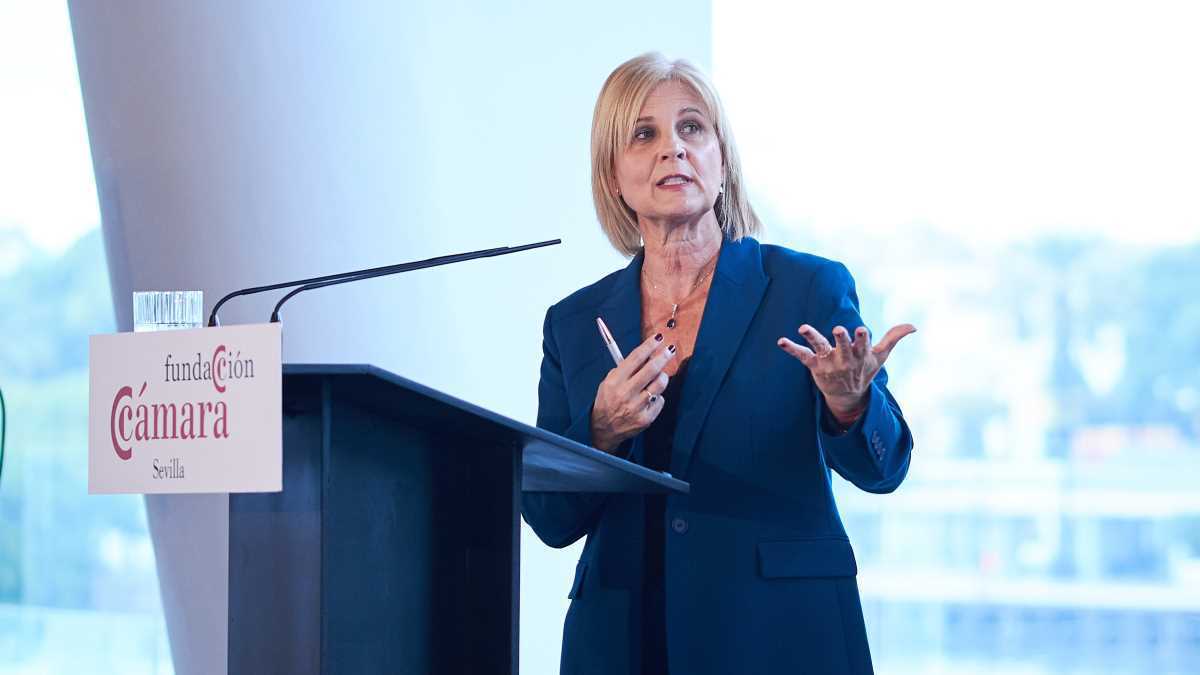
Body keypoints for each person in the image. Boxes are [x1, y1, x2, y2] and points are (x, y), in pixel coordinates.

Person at [522, 52, 916, 675]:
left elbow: (883, 468)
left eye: (692, 128)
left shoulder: (806, 287)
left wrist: (850, 404)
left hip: (778, 635)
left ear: (722, 160)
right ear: (613, 177)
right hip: (625, 643)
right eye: (644, 134)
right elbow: (549, 517)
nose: (672, 150)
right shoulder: (573, 323)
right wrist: (600, 430)